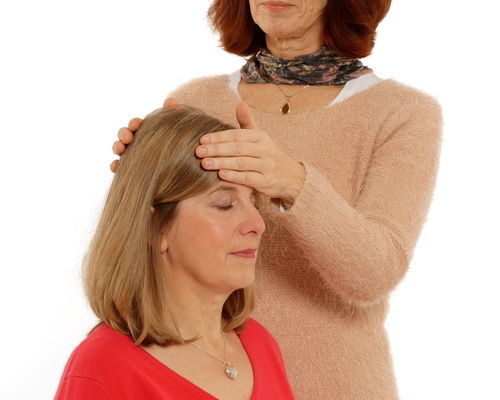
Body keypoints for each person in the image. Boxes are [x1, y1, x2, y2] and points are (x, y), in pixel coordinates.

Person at [111, 1, 443, 399]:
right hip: (206, 385)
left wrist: (293, 182)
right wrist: (139, 180)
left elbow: (375, 272)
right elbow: (154, 254)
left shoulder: (402, 113)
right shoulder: (194, 100)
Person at [54, 106, 297, 400]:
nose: (257, 224)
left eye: (254, 202)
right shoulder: (102, 369)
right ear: (156, 227)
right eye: (224, 203)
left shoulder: (259, 344)